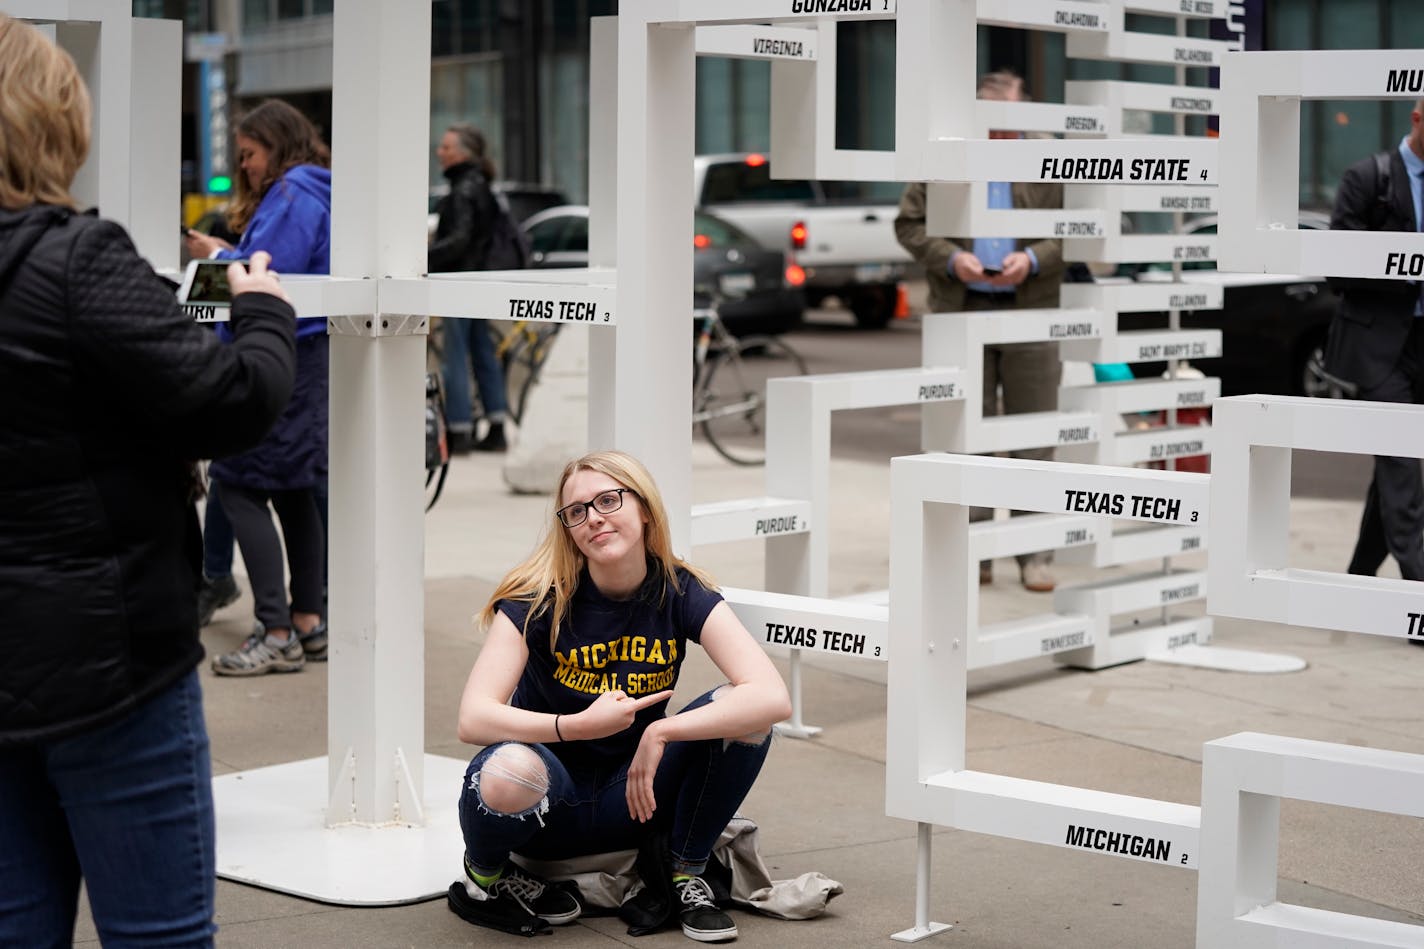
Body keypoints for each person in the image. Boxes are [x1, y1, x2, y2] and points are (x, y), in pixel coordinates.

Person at [0, 14, 297, 946]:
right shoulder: (74, 257)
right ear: (52, 121)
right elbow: (226, 401)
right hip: (107, 668)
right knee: (157, 935)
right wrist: (264, 311)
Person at [450, 450, 791, 941]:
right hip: (551, 802)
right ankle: (488, 878)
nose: (594, 518)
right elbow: (473, 718)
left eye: (609, 500)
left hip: (635, 796)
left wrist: (662, 730)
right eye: (577, 511)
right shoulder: (538, 597)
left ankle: (683, 872)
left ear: (645, 508)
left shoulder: (678, 589)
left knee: (745, 715)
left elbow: (771, 697)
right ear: (567, 528)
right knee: (507, 770)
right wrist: (575, 726)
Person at [895, 70, 1066, 593]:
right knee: (963, 435)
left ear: (1025, 110)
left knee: (1033, 435)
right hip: (961, 308)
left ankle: (1033, 554)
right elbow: (909, 224)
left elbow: (1081, 228)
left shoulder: (1049, 156)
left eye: (1005, 116)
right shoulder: (948, 157)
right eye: (985, 115)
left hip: (1030, 310)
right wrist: (952, 259)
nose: (995, 128)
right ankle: (973, 554)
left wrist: (1034, 257)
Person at [185, 99, 332, 674]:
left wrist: (220, 255)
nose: (244, 165)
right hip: (306, 354)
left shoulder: (293, 194)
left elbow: (263, 274)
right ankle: (306, 622)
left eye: (248, 153)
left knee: (238, 483)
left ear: (274, 143)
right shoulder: (314, 188)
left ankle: (275, 629)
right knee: (294, 491)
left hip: (278, 352)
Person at [1323, 99, 1424, 596]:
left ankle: (1357, 580)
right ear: (1418, 118)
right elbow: (1337, 271)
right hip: (1378, 348)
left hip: (1422, 346)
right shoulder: (1367, 177)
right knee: (1404, 463)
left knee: (1393, 467)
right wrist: (1405, 266)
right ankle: (1419, 596)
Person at [430, 123, 510, 454]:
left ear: (462, 153)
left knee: (455, 357)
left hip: (458, 282)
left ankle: (460, 430)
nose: (440, 152)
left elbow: (459, 239)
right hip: (481, 281)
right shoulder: (483, 186)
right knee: (483, 353)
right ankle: (497, 426)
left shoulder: (463, 189)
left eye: (446, 147)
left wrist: (425, 257)